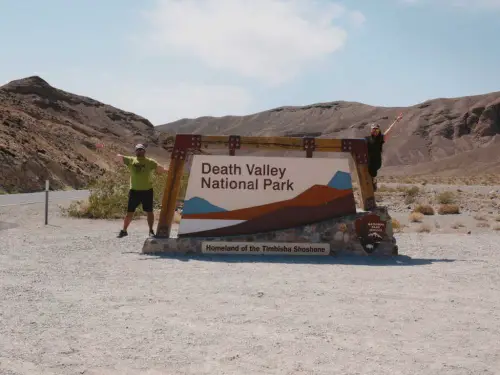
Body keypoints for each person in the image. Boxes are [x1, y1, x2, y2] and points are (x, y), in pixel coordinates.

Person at [115, 144, 168, 238]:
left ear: (144, 151)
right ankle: (124, 230)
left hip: (147, 191)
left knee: (149, 211)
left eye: (141, 150)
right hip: (134, 191)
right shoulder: (131, 160)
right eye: (138, 150)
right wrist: (118, 155)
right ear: (135, 152)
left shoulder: (149, 162)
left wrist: (168, 170)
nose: (140, 151)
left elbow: (160, 169)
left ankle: (151, 231)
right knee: (129, 212)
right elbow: (120, 158)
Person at [365, 114, 402, 191]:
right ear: (371, 130)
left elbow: (390, 130)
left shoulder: (380, 138)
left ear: (379, 130)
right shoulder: (366, 139)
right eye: (373, 129)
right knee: (366, 172)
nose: (375, 131)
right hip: (368, 161)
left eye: (377, 130)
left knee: (372, 171)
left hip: (376, 162)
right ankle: (371, 183)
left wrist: (396, 121)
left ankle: (373, 182)